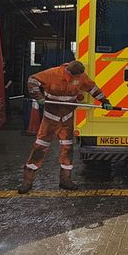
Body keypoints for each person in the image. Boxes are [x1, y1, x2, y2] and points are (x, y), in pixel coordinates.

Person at [17, 60, 112, 193]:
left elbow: (92, 88)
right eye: (74, 77)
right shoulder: (52, 73)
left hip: (67, 117)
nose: (77, 80)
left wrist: (104, 101)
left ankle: (65, 180)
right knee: (40, 147)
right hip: (51, 117)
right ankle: (27, 182)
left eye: (78, 77)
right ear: (68, 72)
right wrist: (38, 96)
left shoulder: (81, 76)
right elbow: (32, 80)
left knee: (67, 148)